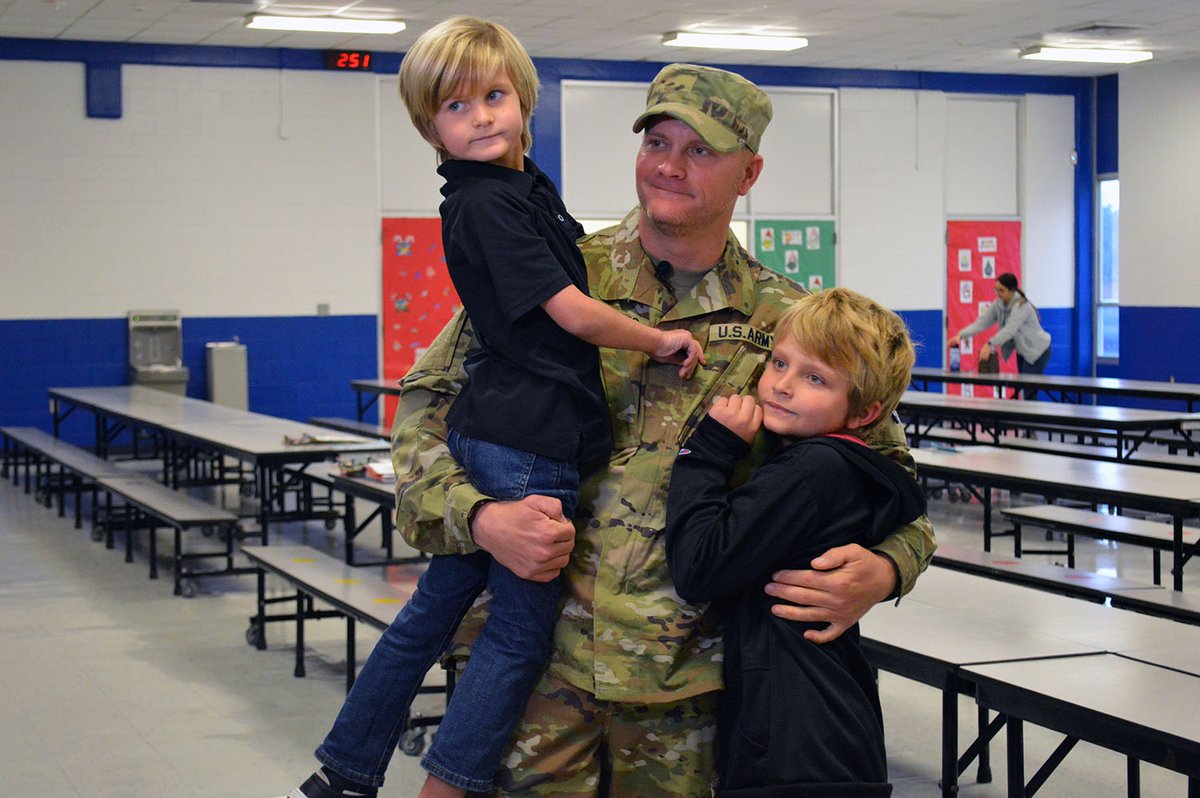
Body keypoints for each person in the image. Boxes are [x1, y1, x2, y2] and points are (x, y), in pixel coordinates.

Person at [292, 62, 937, 798]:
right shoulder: (553, 272)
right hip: (531, 682)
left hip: (693, 697)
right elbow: (422, 419)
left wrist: (884, 570)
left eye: (700, 151)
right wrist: (481, 518)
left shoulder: (790, 323)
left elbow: (892, 483)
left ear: (749, 173)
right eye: (657, 142)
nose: (669, 166)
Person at [285, 18, 703, 798]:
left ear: (525, 102)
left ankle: (345, 768)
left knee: (430, 615)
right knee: (515, 635)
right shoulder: (486, 205)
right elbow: (572, 312)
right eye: (455, 106)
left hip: (508, 433)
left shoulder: (520, 187)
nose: (480, 116)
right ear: (429, 130)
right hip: (527, 446)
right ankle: (455, 778)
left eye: (494, 96)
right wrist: (657, 339)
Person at [665, 287, 927, 796]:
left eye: (815, 379)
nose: (782, 386)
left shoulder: (814, 469)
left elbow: (699, 566)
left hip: (796, 739)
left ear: (865, 414)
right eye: (779, 363)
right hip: (818, 721)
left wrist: (709, 452)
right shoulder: (835, 464)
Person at [948, 272, 1051, 378]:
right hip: (1023, 351)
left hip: (1038, 350)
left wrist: (990, 344)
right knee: (1023, 384)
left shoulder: (1022, 306)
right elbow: (982, 322)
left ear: (1012, 291)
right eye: (996, 290)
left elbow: (1009, 330)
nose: (998, 293)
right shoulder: (999, 304)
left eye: (1001, 290)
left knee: (1028, 386)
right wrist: (961, 335)